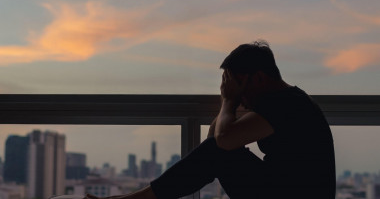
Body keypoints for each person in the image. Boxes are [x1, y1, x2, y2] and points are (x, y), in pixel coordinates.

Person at [85, 40, 336, 199]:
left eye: (238, 85)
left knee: (222, 150)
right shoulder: (279, 102)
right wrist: (232, 101)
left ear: (258, 78)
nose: (239, 96)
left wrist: (228, 101)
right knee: (220, 151)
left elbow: (223, 143)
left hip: (293, 194)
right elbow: (215, 141)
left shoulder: (286, 104)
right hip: (283, 189)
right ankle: (140, 198)